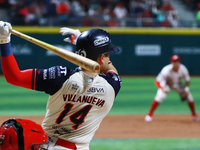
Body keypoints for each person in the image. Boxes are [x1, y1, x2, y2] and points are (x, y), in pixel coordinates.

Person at [0, 21, 121, 150]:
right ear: (102, 58)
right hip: (79, 148)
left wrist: (4, 41)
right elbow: (110, 70)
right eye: (107, 55)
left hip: (44, 145)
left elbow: (14, 77)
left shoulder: (61, 77)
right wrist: (88, 50)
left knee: (11, 130)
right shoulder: (112, 86)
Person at [145, 54, 199, 122]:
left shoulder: (183, 69)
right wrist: (162, 88)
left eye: (177, 61)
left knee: (189, 97)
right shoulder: (166, 70)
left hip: (177, 84)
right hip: (166, 84)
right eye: (174, 62)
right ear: (171, 62)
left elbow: (187, 80)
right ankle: (149, 115)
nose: (175, 63)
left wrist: (186, 89)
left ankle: (194, 115)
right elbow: (157, 81)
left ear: (179, 62)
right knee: (160, 97)